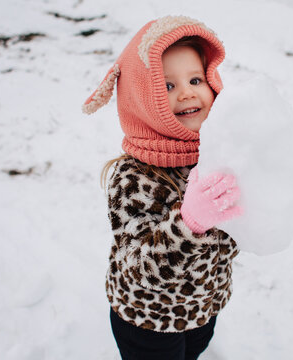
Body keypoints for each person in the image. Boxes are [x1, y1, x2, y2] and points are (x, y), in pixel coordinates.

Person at [82, 16, 242, 360]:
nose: (186, 92)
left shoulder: (219, 155)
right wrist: (190, 225)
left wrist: (275, 189)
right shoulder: (133, 177)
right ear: (142, 100)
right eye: (167, 86)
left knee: (194, 351)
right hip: (148, 321)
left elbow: (242, 229)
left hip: (204, 308)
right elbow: (141, 268)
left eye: (195, 79)